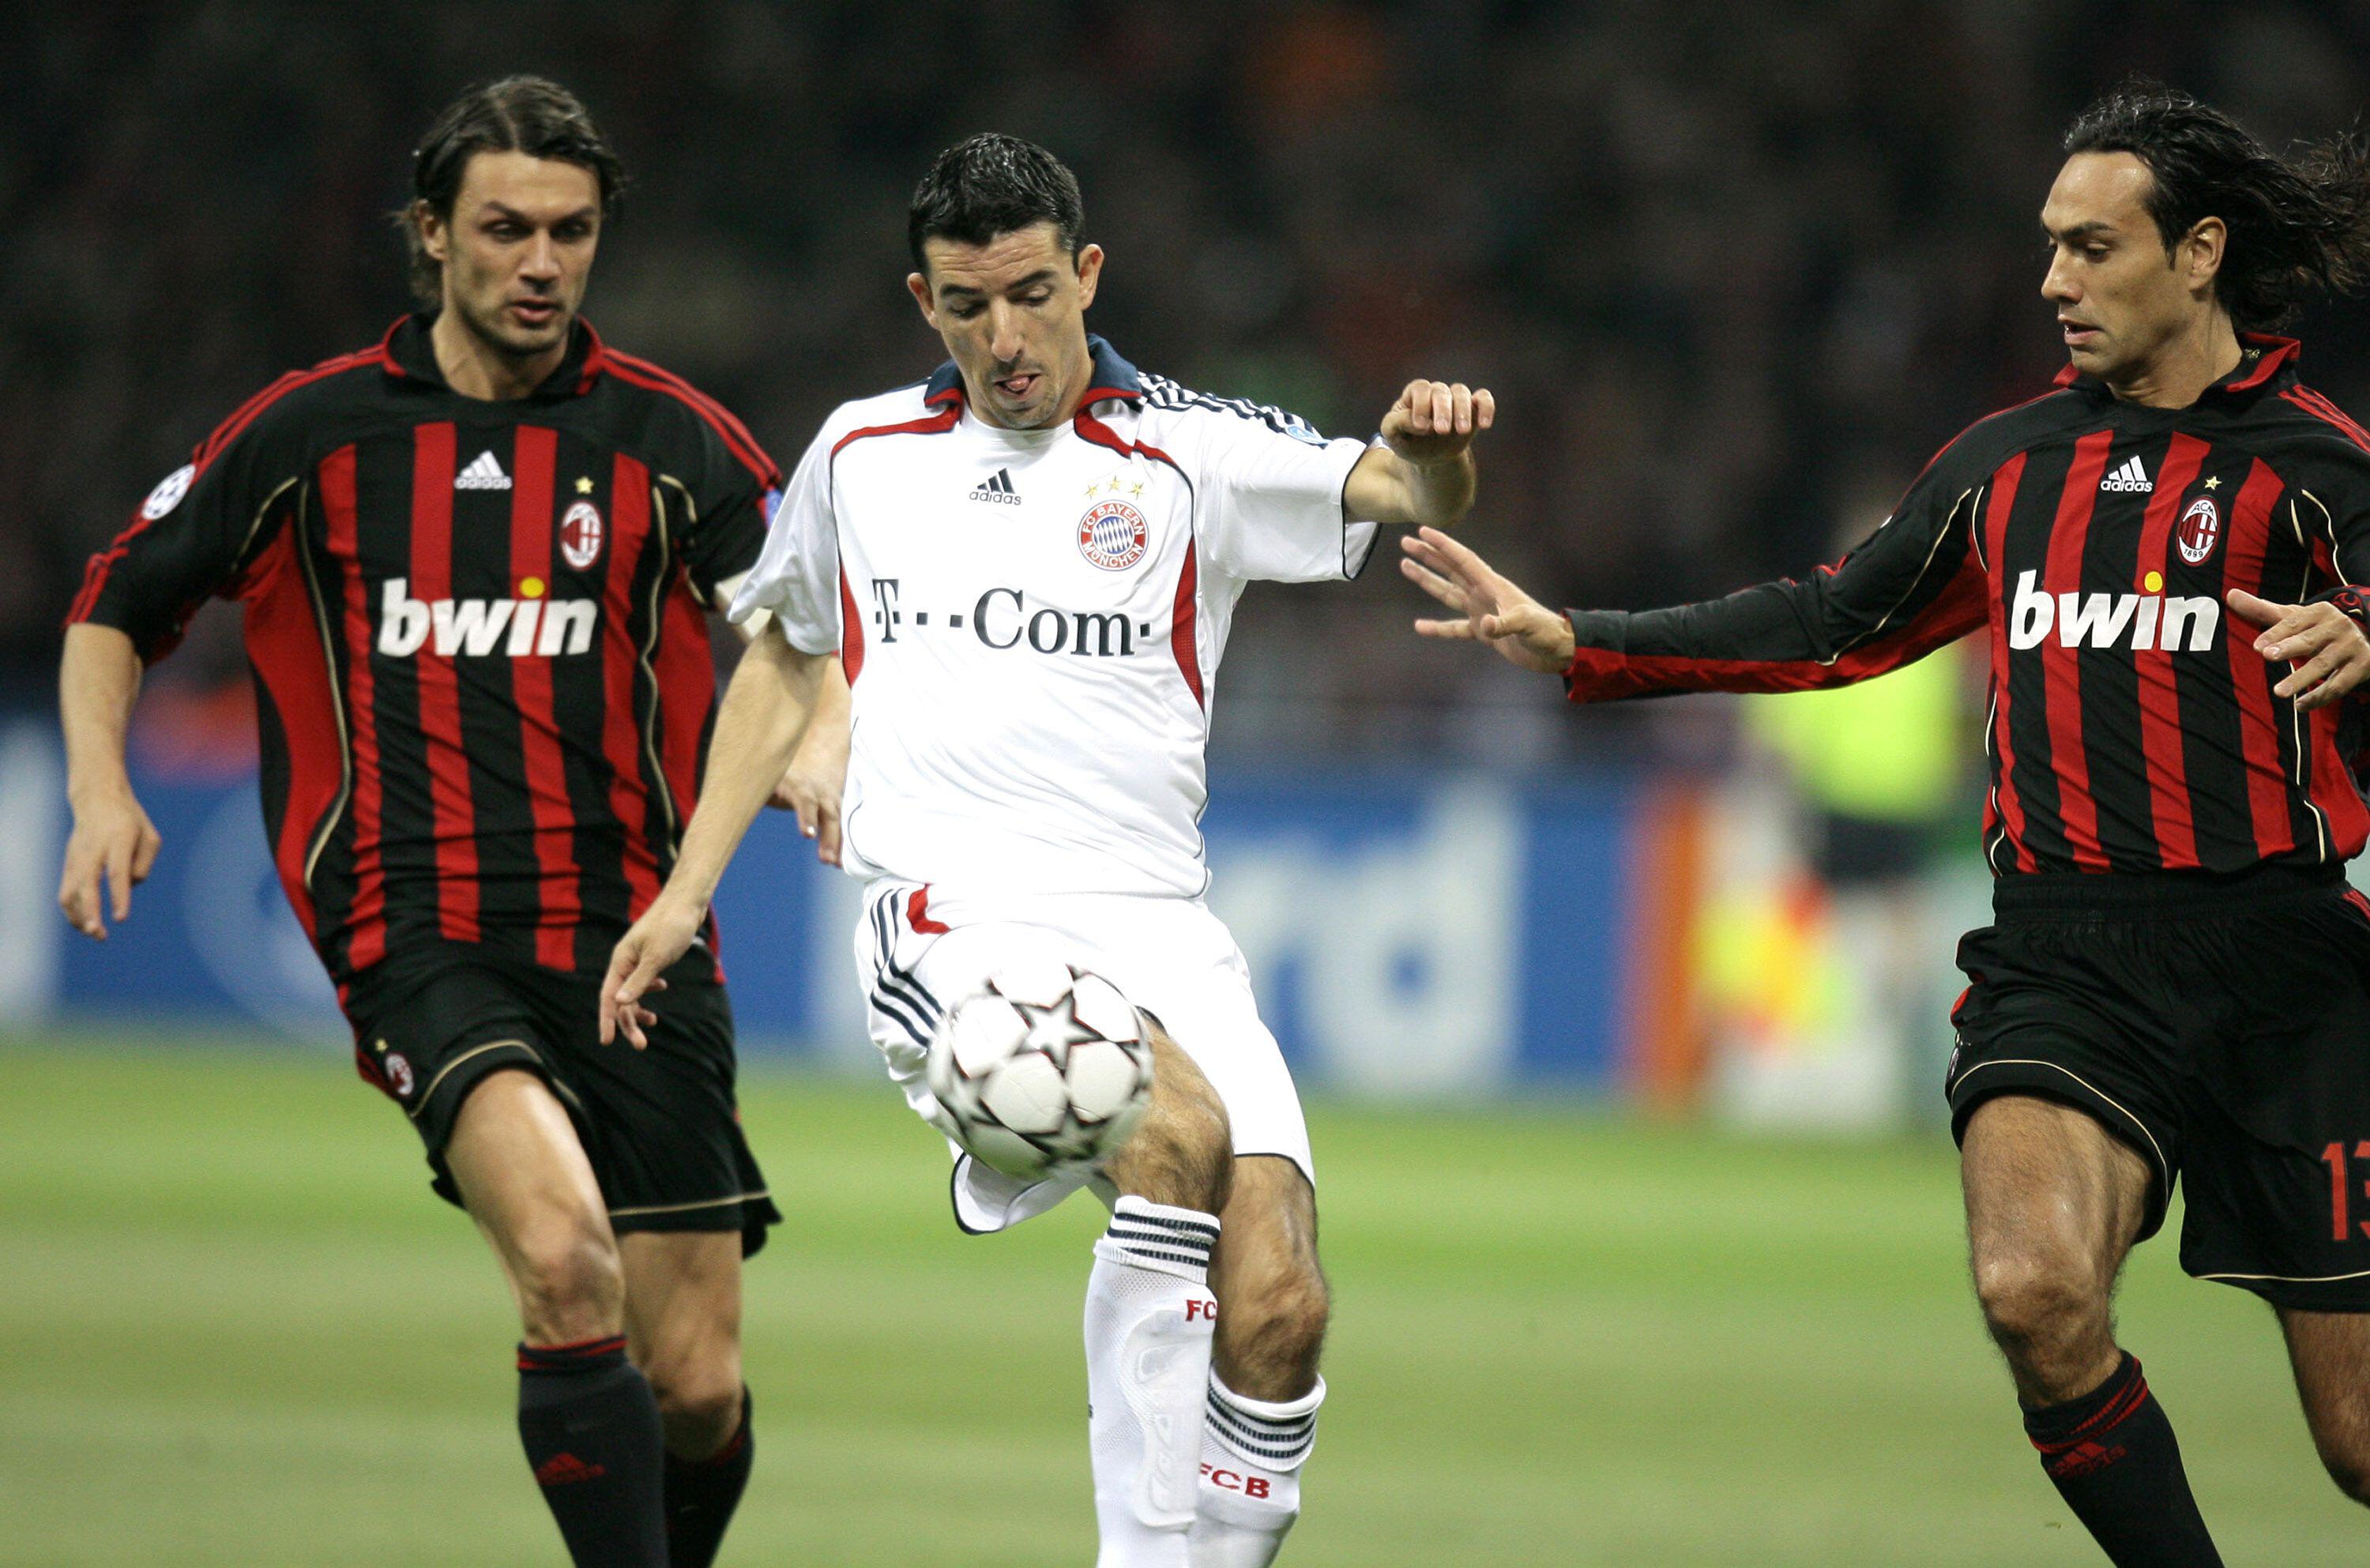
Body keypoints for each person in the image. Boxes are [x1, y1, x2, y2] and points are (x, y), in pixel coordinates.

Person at [1404, 82, 2370, 1566]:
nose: (2054, 280)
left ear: (2201, 254)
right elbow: (1829, 620)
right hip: (2071, 963)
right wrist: (1579, 636)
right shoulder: (2008, 466)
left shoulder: (2319, 470)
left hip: (2293, 971)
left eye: (2095, 248)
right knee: (2032, 1293)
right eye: (2049, 245)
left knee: (2361, 1445)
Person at [600, 132, 1492, 1566]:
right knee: (1176, 1136)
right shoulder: (864, 452)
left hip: (1157, 921)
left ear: (1086, 272)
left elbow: (1403, 496)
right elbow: (782, 654)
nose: (1002, 337)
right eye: (966, 304)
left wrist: (1439, 461)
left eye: (1029, 292)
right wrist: (685, 891)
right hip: (951, 910)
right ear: (923, 300)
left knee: (1280, 1304)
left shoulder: (1193, 449)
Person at [58, 76, 830, 1568]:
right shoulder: (315, 434)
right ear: (432, 235)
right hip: (417, 932)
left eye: (571, 231)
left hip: (637, 943)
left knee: (695, 1384)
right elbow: (118, 601)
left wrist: (822, 743)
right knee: (561, 1258)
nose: (540, 261)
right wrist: (100, 783)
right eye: (504, 228)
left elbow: (817, 629)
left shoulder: (670, 440)